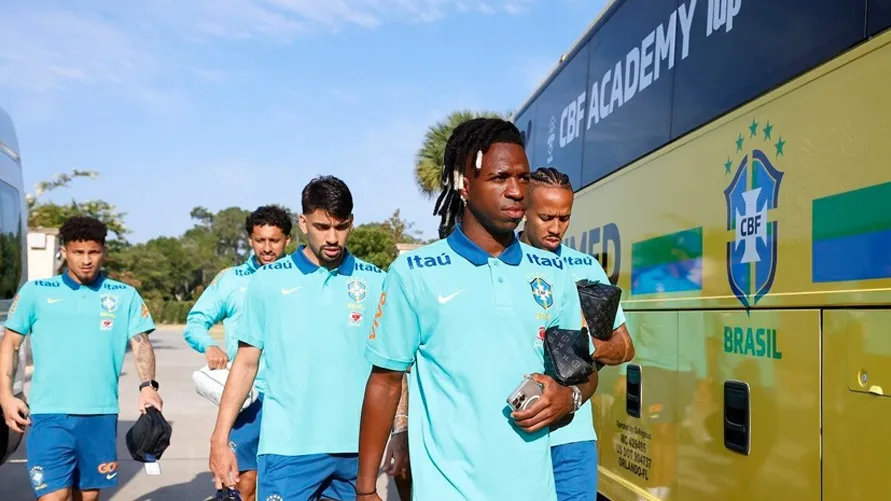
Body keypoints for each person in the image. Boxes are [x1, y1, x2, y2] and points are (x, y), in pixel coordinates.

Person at [355, 117, 599, 501]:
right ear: (465, 185)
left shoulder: (553, 273)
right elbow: (385, 382)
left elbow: (583, 375)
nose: (517, 191)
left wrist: (566, 398)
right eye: (500, 178)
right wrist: (366, 488)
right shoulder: (414, 273)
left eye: (523, 178)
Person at [208, 175, 407, 500]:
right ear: (303, 223)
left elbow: (394, 368)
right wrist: (219, 437)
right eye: (321, 227)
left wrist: (399, 431)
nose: (332, 238)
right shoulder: (268, 281)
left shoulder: (376, 282)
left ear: (351, 223)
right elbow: (245, 363)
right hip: (287, 449)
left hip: (358, 450)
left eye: (340, 227)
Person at [0, 216, 160, 501]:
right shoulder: (36, 292)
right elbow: (10, 343)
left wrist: (148, 386)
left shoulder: (124, 295)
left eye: (93, 252)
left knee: (87, 496)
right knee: (53, 496)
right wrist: (5, 396)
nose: (86, 260)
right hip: (48, 413)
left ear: (103, 252)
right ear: (64, 251)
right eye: (78, 252)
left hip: (100, 413)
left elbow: (141, 343)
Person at [519, 166, 636, 500]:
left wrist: (591, 343)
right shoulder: (499, 264)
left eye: (564, 218)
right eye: (546, 217)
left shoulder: (586, 267)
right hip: (517, 435)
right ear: (524, 210)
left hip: (573, 440)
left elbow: (626, 347)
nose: (556, 228)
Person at [184, 205, 293, 501]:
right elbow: (195, 322)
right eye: (261, 240)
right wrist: (208, 344)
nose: (267, 248)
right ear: (250, 239)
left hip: (291, 399)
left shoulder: (300, 279)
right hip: (247, 399)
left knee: (281, 485)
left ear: (288, 241)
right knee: (243, 481)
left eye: (275, 240)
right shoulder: (231, 281)